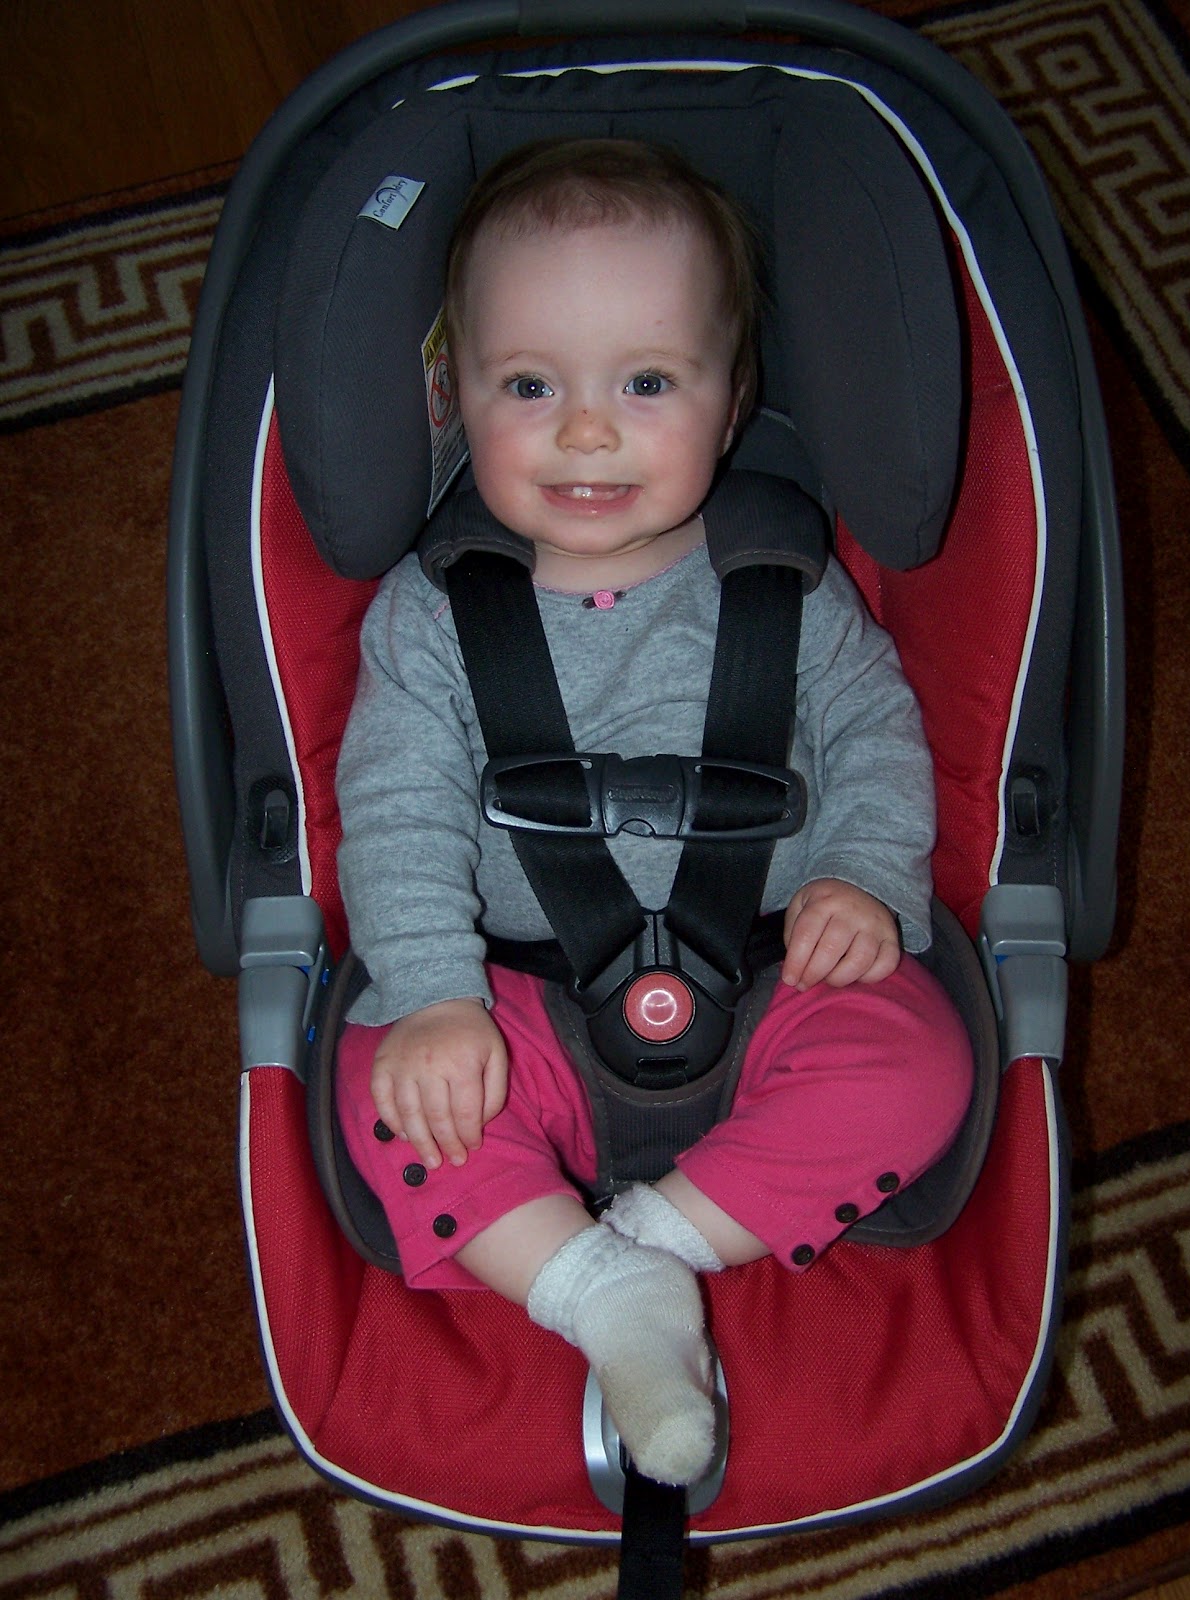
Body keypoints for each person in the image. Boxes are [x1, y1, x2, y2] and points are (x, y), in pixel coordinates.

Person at [334, 138, 973, 1488]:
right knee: (383, 1080)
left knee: (922, 1056)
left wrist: (862, 873)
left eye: (646, 382)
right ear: (455, 398)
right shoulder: (432, 615)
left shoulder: (786, 584)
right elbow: (393, 809)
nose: (586, 430)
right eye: (529, 385)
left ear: (733, 404)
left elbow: (875, 733)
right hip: (520, 1006)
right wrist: (436, 994)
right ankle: (606, 1291)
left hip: (776, 976)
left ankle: (640, 1254)